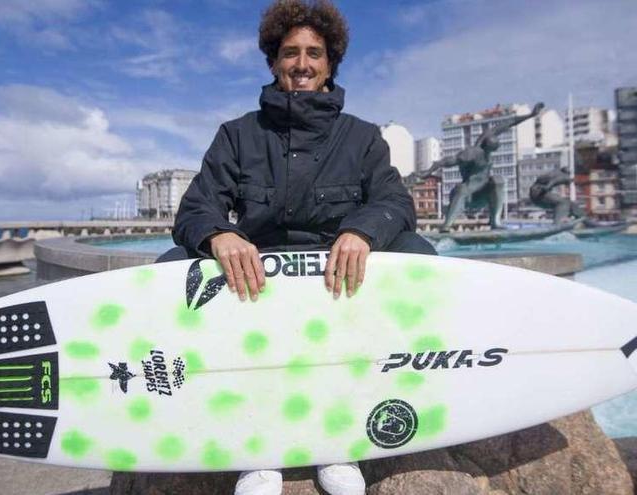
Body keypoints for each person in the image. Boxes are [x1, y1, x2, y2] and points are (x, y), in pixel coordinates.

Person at [155, 1, 435, 493]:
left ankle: (341, 437)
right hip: (256, 291)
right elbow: (196, 208)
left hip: (338, 288)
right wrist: (221, 235)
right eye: (290, 53)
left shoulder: (364, 139)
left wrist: (363, 231)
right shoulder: (237, 136)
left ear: (330, 63)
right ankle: (255, 445)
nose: (302, 64)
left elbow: (395, 200)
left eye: (314, 53)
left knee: (416, 249)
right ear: (273, 62)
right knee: (173, 264)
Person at [423, 102, 544, 231]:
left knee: (498, 180)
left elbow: (508, 123)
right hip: (467, 197)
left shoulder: (488, 139)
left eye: (492, 151)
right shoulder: (472, 153)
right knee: (461, 189)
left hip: (483, 194)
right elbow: (448, 161)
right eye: (489, 150)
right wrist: (429, 171)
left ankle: (495, 221)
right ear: (485, 146)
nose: (489, 154)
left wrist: (531, 115)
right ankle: (446, 225)